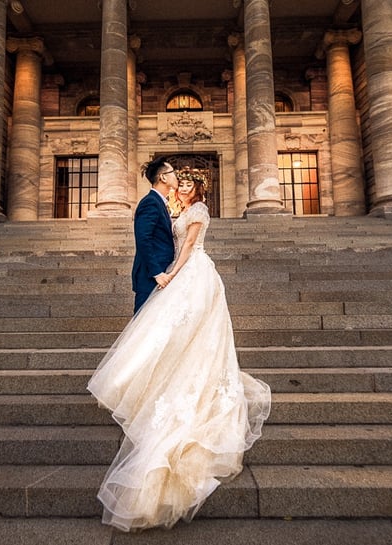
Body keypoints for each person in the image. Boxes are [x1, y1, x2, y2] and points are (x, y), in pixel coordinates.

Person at [87, 168, 272, 532]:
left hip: (192, 271)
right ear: (165, 180)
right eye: (178, 179)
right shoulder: (163, 206)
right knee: (173, 330)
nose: (182, 184)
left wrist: (170, 270)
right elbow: (151, 237)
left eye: (188, 182)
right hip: (173, 271)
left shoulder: (198, 211)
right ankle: (157, 374)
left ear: (198, 188)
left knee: (192, 330)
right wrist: (163, 270)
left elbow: (188, 246)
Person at [130, 157, 177, 314]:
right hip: (150, 275)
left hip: (160, 272)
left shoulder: (159, 202)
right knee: (142, 327)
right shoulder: (150, 202)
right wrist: (156, 272)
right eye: (173, 173)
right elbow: (143, 238)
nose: (176, 176)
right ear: (163, 177)